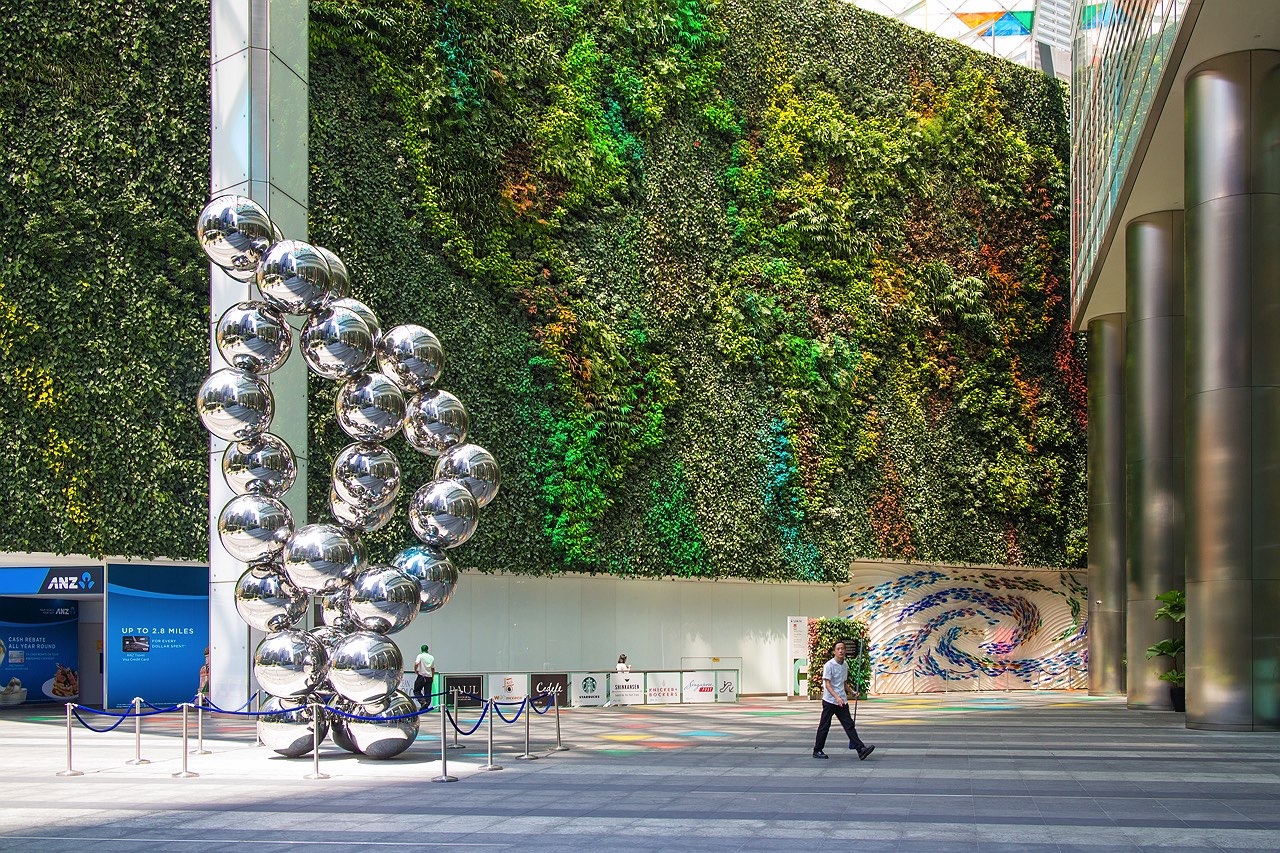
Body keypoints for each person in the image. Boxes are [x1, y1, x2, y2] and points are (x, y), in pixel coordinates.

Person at [813, 640, 875, 760]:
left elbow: (843, 683)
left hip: (842, 700)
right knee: (824, 725)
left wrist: (852, 692)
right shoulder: (829, 665)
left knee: (849, 725)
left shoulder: (845, 664)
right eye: (838, 649)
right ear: (834, 651)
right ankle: (817, 750)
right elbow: (827, 685)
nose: (841, 651)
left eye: (842, 648)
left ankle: (860, 749)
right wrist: (836, 697)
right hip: (830, 701)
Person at [413, 644, 436, 709]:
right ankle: (427, 705)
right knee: (428, 692)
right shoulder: (431, 657)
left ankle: (423, 702)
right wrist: (432, 676)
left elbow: (416, 663)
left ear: (421, 650)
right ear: (427, 650)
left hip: (422, 676)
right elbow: (433, 668)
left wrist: (415, 670)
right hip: (429, 676)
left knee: (416, 690)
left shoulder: (420, 656)